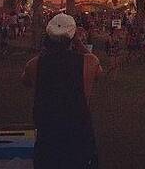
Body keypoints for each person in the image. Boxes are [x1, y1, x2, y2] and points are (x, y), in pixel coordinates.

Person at [22, 13, 102, 168]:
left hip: (48, 136)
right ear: (73, 36)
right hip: (79, 136)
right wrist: (79, 43)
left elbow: (25, 81)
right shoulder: (89, 63)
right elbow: (99, 72)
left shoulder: (34, 65)